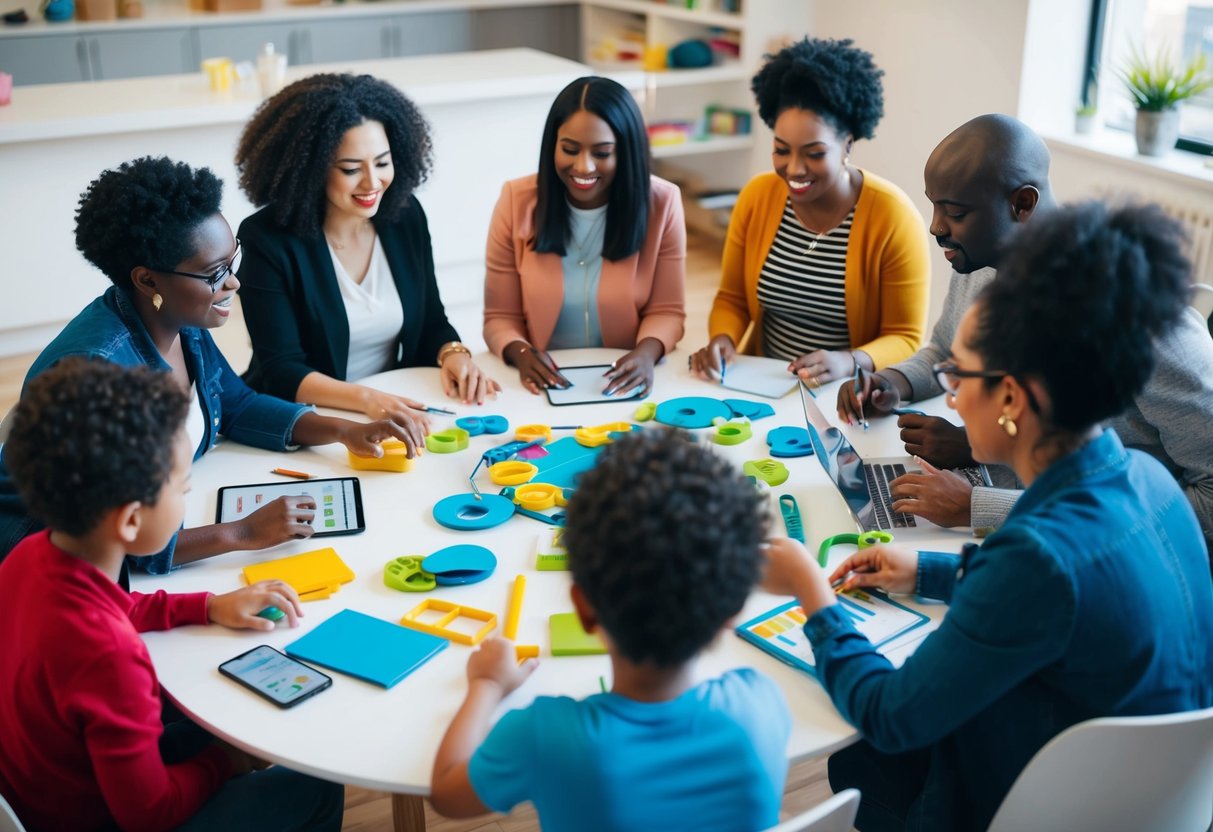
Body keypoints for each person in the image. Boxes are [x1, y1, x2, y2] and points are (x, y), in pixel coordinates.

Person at [767, 202, 1213, 831]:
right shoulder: (1149, 480)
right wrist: (926, 571)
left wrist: (813, 595)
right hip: (1151, 804)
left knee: (866, 759)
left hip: (1031, 807)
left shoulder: (1037, 557)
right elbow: (1067, 599)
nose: (950, 394)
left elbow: (891, 714)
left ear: (1010, 398)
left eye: (957, 375)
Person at [0, 157, 413, 573]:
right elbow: (118, 537)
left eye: (232, 261)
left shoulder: (178, 319)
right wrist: (240, 534)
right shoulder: (96, 376)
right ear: (147, 280)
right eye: (215, 273)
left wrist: (343, 430)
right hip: (49, 575)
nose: (233, 282)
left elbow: (236, 404)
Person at [0, 358, 344, 831]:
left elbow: (114, 606)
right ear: (130, 520)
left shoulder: (29, 557)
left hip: (43, 788)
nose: (186, 500)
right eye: (182, 488)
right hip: (99, 816)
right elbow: (149, 814)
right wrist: (224, 762)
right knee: (316, 786)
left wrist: (206, 605)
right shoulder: (109, 657)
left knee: (208, 716)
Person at [838, 114, 1213, 546]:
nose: (936, 227)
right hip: (1007, 503)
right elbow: (945, 348)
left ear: (1022, 205)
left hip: (1100, 547)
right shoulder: (980, 258)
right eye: (934, 205)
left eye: (955, 212)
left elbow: (1200, 497)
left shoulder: (1140, 320)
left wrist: (981, 507)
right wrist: (896, 383)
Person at [429, 429, 790, 831]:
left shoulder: (545, 738)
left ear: (583, 609)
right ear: (733, 609)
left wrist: (487, 685)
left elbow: (446, 792)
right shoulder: (760, 703)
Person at [235, 73, 500, 432]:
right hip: (311, 424)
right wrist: (369, 399)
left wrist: (453, 353)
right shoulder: (268, 240)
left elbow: (430, 321)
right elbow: (280, 370)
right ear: (311, 169)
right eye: (350, 169)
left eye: (382, 162)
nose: (372, 182)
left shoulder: (405, 216)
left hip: (391, 411)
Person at [690, 37, 929, 387]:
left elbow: (905, 337)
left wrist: (850, 362)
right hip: (763, 386)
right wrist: (724, 338)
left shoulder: (894, 218)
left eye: (814, 153)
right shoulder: (757, 197)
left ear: (848, 143)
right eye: (781, 150)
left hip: (844, 395)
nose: (794, 169)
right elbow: (733, 298)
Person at [483, 76, 686, 397]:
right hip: (542, 386)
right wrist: (520, 353)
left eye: (602, 153)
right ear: (553, 145)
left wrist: (647, 354)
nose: (583, 166)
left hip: (622, 382)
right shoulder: (515, 201)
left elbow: (667, 310)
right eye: (569, 149)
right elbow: (499, 317)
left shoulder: (663, 203)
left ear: (626, 151)